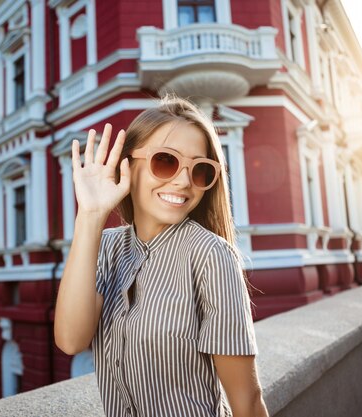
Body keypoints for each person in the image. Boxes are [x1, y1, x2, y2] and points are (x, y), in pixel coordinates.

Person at [54, 97, 269, 417]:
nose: (183, 181)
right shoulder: (106, 247)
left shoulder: (211, 255)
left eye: (200, 170)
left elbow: (247, 402)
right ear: (127, 165)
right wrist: (90, 215)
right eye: (166, 161)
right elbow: (71, 340)